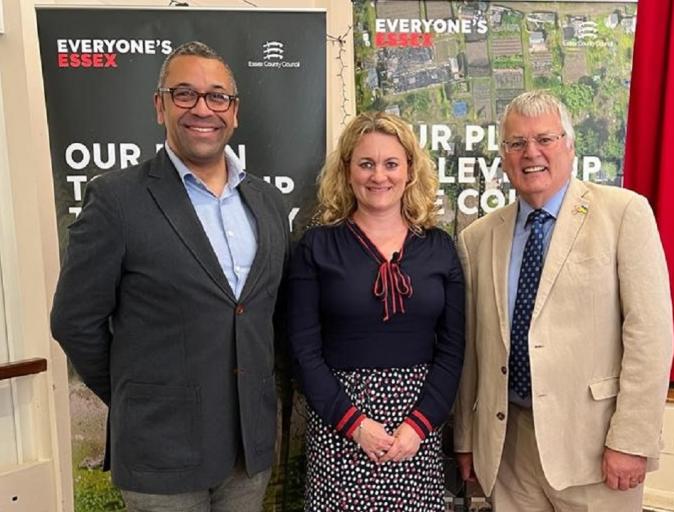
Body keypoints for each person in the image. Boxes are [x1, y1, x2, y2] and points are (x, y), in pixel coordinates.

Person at [50, 41, 289, 511]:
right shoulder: (117, 200)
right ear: (160, 106)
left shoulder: (266, 202)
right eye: (185, 94)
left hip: (248, 452)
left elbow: (264, 315)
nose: (203, 108)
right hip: (161, 455)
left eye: (217, 96)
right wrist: (139, 395)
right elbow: (74, 322)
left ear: (234, 112)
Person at [453, 90, 674, 511]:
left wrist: (632, 439)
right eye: (516, 143)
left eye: (545, 139)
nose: (530, 153)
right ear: (503, 156)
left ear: (570, 146)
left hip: (595, 448)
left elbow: (651, 336)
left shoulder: (623, 214)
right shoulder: (477, 239)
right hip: (508, 450)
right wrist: (465, 438)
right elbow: (471, 354)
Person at [287, 112, 465, 511]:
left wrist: (419, 426)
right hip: (341, 427)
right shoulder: (317, 247)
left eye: (391, 164)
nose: (378, 176)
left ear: (409, 171)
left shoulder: (439, 247)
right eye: (366, 164)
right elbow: (302, 350)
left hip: (416, 430)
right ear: (347, 171)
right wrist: (354, 424)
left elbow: (453, 349)